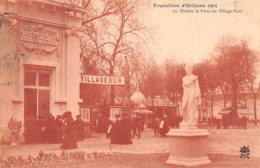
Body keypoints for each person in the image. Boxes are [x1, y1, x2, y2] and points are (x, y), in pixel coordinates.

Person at [180, 63, 201, 128]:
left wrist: (197, 94)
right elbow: (184, 86)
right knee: (184, 106)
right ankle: (185, 120)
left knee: (191, 107)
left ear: (191, 70)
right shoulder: (184, 78)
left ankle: (191, 121)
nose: (187, 71)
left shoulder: (195, 78)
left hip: (192, 92)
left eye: (188, 69)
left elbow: (197, 87)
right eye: (186, 70)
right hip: (186, 93)